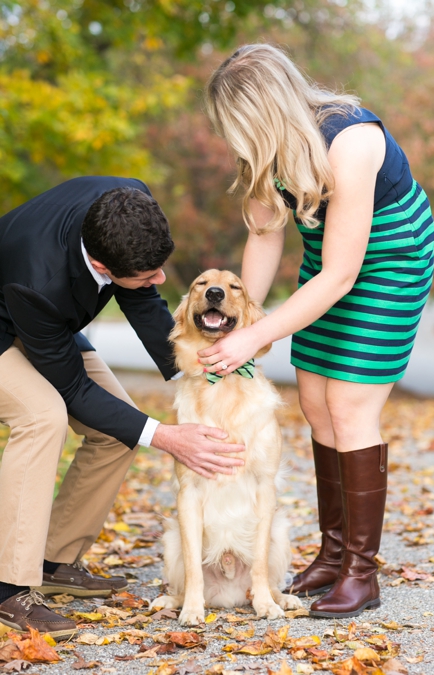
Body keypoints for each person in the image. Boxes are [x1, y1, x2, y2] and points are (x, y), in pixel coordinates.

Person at [199, 44, 434, 618]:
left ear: (264, 112)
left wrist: (255, 338)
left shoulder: (351, 140)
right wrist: (246, 320)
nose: (235, 139)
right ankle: (332, 555)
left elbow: (341, 275)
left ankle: (361, 572)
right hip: (331, 257)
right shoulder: (264, 153)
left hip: (390, 259)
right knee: (313, 398)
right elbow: (264, 236)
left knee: (349, 404)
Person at [0, 177, 246, 637]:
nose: (161, 279)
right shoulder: (38, 279)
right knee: (43, 416)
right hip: (17, 314)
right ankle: (8, 587)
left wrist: (199, 378)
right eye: (147, 273)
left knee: (119, 426)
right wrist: (166, 437)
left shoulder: (129, 201)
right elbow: (72, 390)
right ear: (99, 264)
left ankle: (54, 560)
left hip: (44, 322)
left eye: (161, 266)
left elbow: (146, 302)